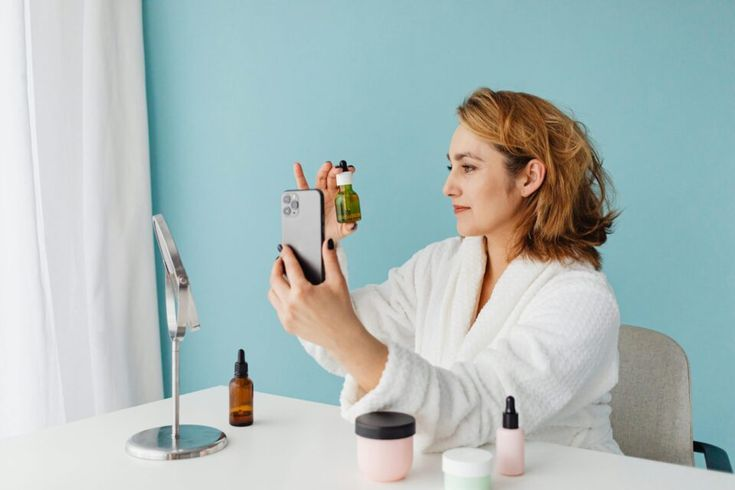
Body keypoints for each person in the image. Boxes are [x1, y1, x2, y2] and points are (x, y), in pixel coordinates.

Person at [268, 87, 622, 454]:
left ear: (529, 177)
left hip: (563, 475)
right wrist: (318, 245)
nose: (448, 187)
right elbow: (346, 336)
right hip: (460, 473)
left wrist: (343, 333)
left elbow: (482, 408)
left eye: (468, 167)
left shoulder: (583, 299)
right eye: (450, 167)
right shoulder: (441, 265)